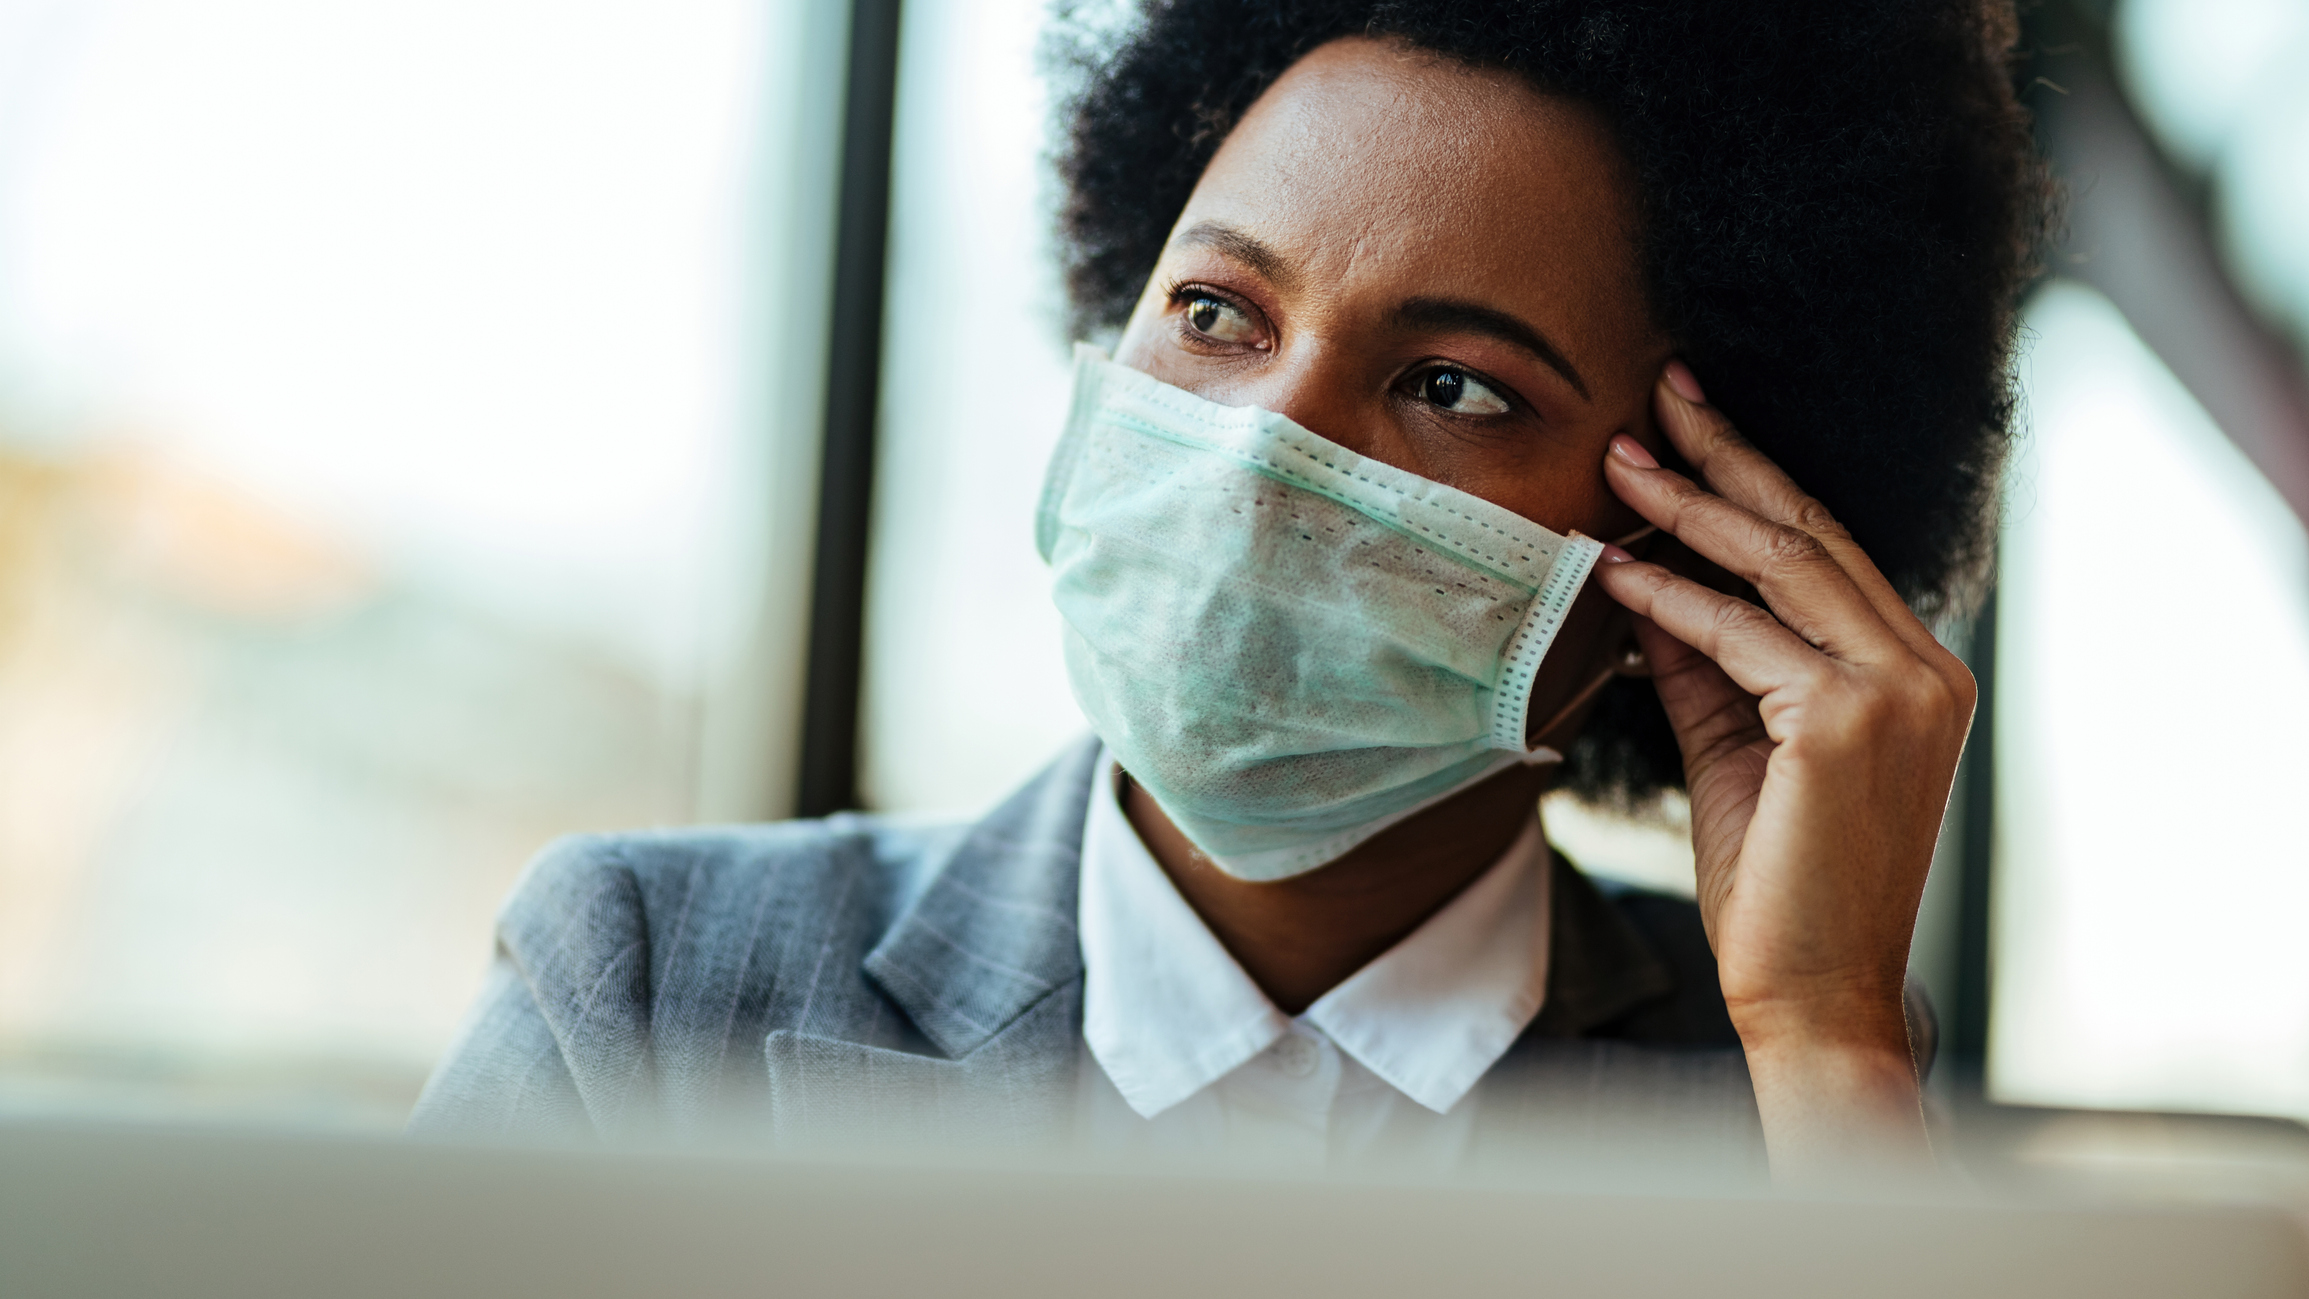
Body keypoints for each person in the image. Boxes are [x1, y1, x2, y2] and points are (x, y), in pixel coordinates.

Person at [410, 0, 2048, 1179]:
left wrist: (1828, 1042)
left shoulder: (1786, 1101)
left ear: (1682, 545)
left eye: (1454, 387)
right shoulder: (647, 984)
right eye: (1214, 315)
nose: (1260, 452)